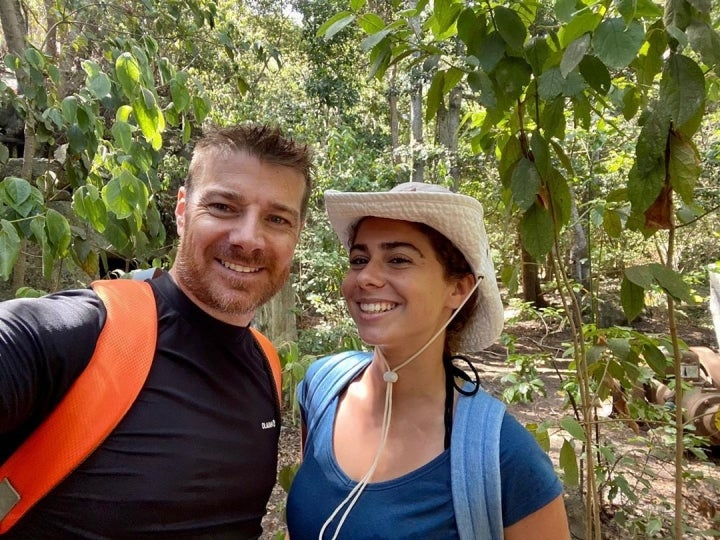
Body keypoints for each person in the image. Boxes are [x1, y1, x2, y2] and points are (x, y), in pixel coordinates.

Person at [0, 123, 313, 538]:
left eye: (276, 218)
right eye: (223, 207)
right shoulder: (83, 332)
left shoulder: (266, 364)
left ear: (296, 235)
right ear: (182, 211)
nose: (248, 238)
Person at [286, 182, 569, 539]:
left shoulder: (503, 457)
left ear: (458, 289)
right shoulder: (323, 386)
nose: (367, 277)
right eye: (359, 259)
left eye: (398, 259)